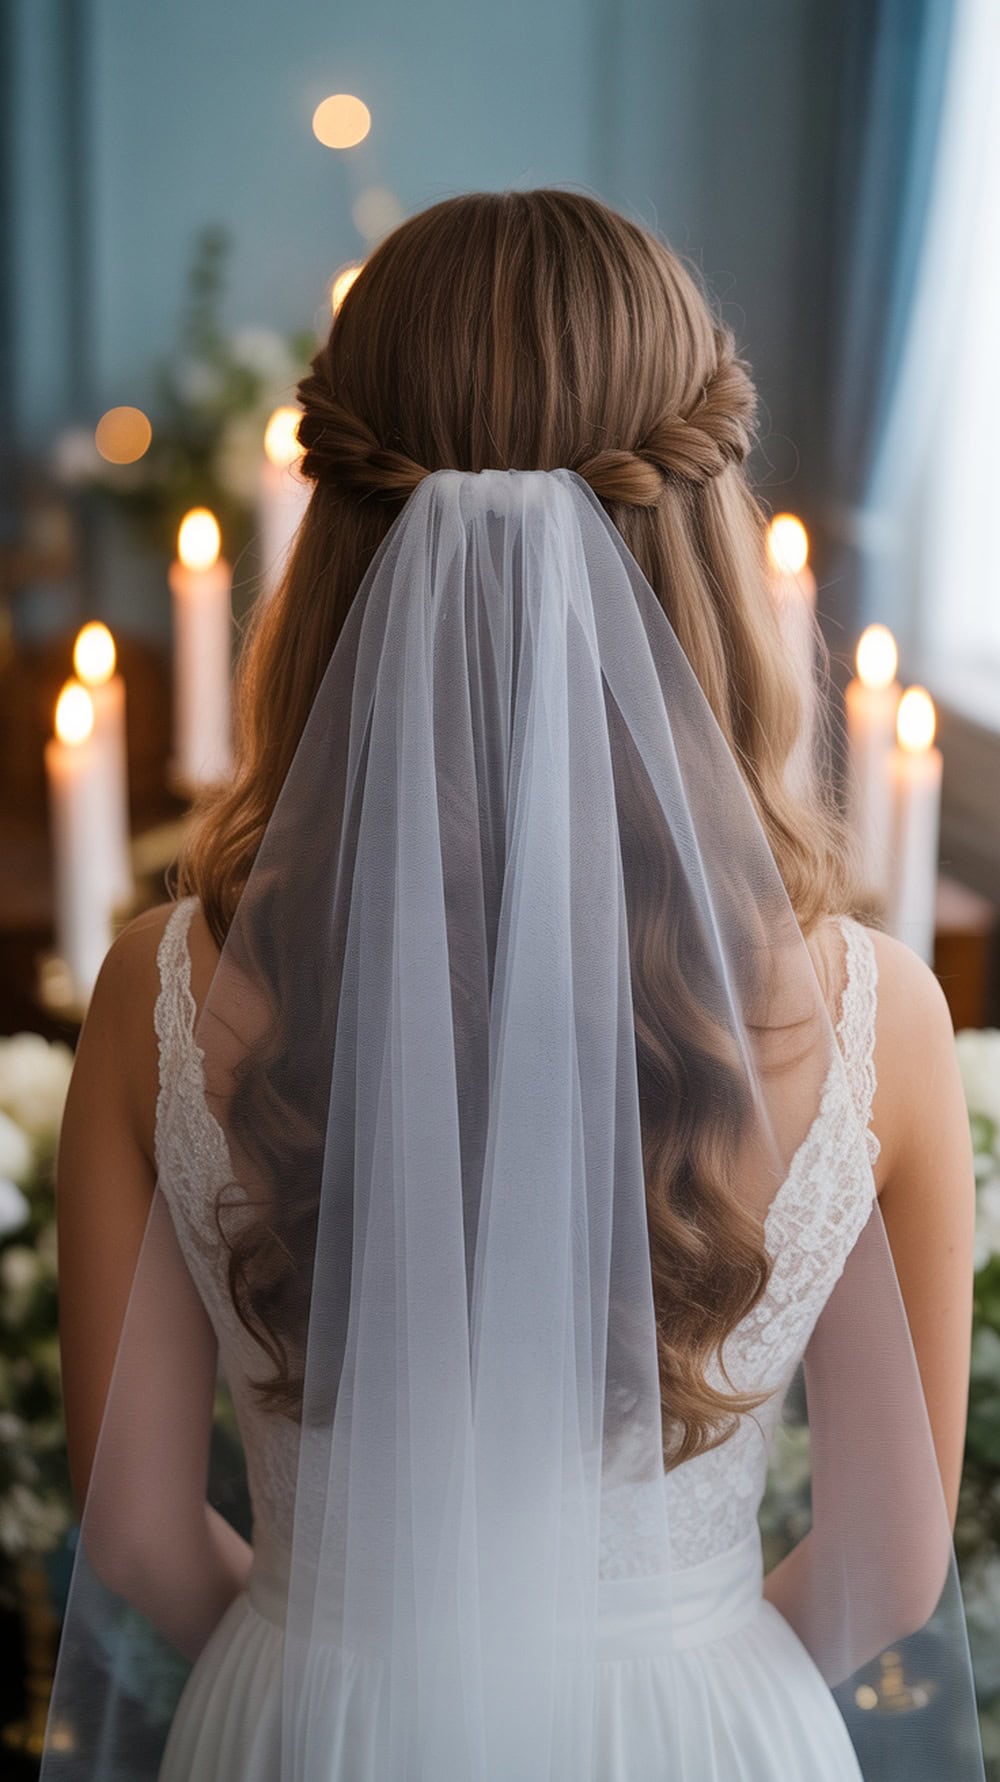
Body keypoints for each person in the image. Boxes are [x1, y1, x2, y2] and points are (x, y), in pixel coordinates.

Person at [45, 190, 983, 1780]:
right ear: (701, 532)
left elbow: (135, 1532)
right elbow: (892, 1567)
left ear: (336, 534)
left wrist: (334, 1661)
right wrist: (676, 1666)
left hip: (305, 1724)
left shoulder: (161, 992)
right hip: (703, 1732)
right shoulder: (875, 1014)